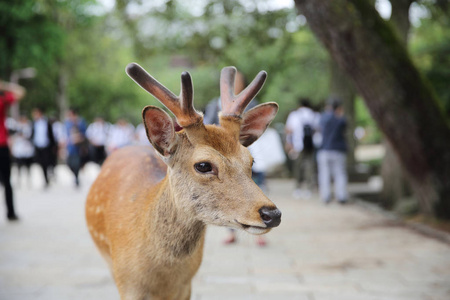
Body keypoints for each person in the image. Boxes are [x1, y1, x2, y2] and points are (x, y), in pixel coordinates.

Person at [0, 80, 25, 221]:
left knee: (7, 181)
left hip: (2, 144)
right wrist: (5, 85)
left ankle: (11, 212)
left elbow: (21, 93)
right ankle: (11, 213)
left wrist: (4, 86)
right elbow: (20, 91)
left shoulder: (2, 100)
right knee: (7, 181)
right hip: (2, 145)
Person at [285, 98, 318, 199]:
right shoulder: (314, 115)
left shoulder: (294, 115)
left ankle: (298, 188)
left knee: (298, 167)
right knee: (310, 166)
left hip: (297, 145)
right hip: (310, 145)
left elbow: (289, 130)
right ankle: (309, 188)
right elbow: (317, 129)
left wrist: (288, 143)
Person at [317, 99, 348, 204]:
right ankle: (341, 196)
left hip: (325, 149)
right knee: (340, 174)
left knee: (324, 174)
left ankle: (326, 196)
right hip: (338, 150)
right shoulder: (340, 119)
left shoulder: (323, 118)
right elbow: (344, 125)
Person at [31, 108, 56, 188]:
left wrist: (54, 146)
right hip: (38, 146)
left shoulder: (47, 123)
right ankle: (46, 179)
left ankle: (50, 173)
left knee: (48, 162)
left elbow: (51, 135)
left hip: (46, 146)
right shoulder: (34, 123)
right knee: (41, 163)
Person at [65, 108, 87, 187]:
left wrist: (79, 138)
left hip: (78, 147)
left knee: (76, 163)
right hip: (70, 147)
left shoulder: (80, 122)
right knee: (69, 163)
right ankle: (75, 176)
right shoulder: (67, 123)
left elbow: (85, 134)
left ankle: (77, 178)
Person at [11, 115, 34, 187]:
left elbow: (30, 136)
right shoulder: (17, 127)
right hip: (19, 150)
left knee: (28, 166)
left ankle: (28, 180)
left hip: (27, 149)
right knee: (19, 166)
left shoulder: (29, 126)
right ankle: (19, 180)